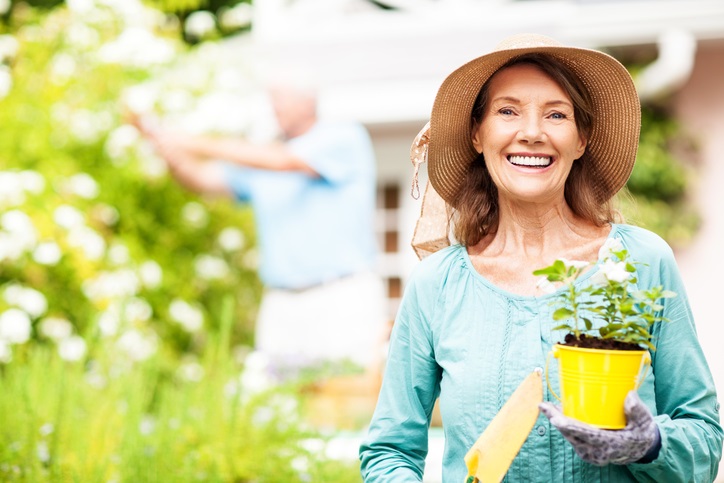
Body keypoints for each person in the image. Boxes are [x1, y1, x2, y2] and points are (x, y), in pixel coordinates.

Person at [359, 33, 723, 482]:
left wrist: (649, 445)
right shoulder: (437, 284)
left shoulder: (641, 262)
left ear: (581, 139)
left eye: (556, 114)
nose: (532, 133)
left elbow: (704, 439)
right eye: (507, 111)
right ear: (478, 134)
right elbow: (389, 451)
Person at [131, 78, 386, 377]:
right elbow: (201, 179)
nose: (274, 106)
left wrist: (192, 141)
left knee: (346, 393)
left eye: (282, 97)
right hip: (280, 303)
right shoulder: (261, 159)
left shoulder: (343, 136)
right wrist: (165, 146)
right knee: (276, 404)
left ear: (308, 101)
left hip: (340, 295)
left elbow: (282, 161)